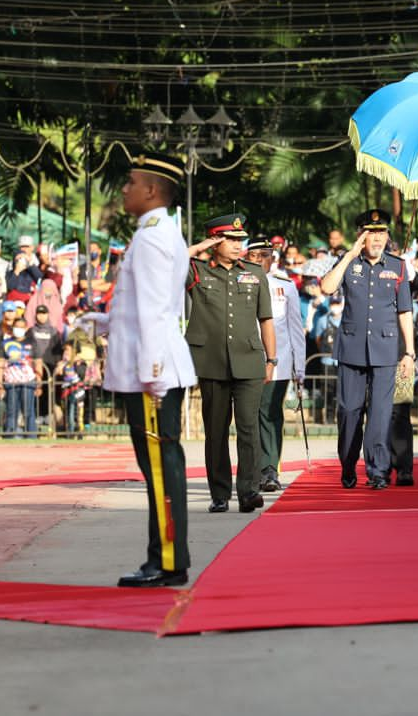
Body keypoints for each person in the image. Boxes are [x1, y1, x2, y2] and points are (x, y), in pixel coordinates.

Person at [92, 150, 197, 588]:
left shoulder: (154, 237)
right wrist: (103, 321)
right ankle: (164, 556)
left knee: (160, 467)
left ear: (152, 190)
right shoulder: (154, 232)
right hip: (148, 365)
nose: (124, 189)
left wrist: (153, 372)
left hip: (153, 370)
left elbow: (156, 311)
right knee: (157, 466)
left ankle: (167, 560)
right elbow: (143, 307)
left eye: (131, 182)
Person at [320, 208, 415, 490]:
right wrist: (349, 255)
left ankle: (378, 470)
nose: (376, 239)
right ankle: (348, 465)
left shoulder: (398, 266)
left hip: (386, 349)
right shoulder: (348, 262)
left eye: (381, 233)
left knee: (381, 413)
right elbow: (326, 287)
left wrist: (409, 352)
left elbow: (405, 311)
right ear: (360, 235)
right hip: (351, 349)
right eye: (370, 233)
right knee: (349, 412)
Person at [186, 214, 275, 513]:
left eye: (241, 240)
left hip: (249, 360)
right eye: (231, 239)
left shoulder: (254, 272)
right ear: (215, 240)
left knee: (249, 428)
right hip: (211, 361)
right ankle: (220, 493)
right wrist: (200, 246)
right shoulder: (196, 270)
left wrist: (271, 358)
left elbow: (266, 319)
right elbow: (163, 263)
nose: (239, 246)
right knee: (216, 430)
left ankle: (249, 491)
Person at [246, 238, 305, 493]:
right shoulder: (239, 284)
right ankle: (255, 468)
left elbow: (295, 329)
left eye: (265, 255)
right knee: (251, 417)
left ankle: (270, 469)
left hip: (279, 362)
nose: (260, 260)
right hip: (247, 360)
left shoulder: (285, 286)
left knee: (270, 415)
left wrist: (299, 369)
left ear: (273, 258)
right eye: (255, 255)